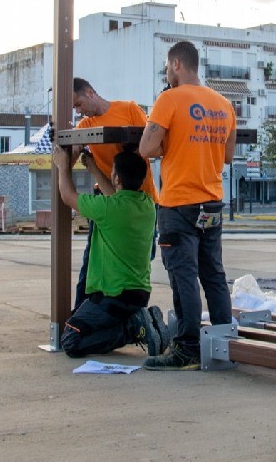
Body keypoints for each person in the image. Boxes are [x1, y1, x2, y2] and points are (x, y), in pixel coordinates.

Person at [139, 40, 237, 371]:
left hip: (179, 203)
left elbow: (146, 148)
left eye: (168, 67)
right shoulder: (224, 104)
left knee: (184, 276)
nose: (167, 73)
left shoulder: (169, 99)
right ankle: (224, 342)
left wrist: (170, 139)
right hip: (212, 203)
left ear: (177, 65)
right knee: (214, 274)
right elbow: (227, 156)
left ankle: (188, 349)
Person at [51, 145, 168, 358]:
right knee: (89, 326)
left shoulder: (107, 209)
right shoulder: (147, 205)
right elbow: (116, 195)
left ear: (116, 178)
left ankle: (133, 328)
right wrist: (94, 168)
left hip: (111, 298)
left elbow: (68, 196)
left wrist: (62, 166)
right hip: (137, 296)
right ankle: (139, 323)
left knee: (71, 339)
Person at [70, 77, 159, 312]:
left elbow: (148, 144)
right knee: (92, 261)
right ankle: (80, 316)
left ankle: (133, 316)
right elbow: (72, 153)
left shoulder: (129, 109)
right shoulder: (85, 126)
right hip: (110, 198)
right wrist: (67, 148)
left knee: (139, 262)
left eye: (78, 104)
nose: (79, 112)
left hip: (141, 198)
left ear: (90, 92)